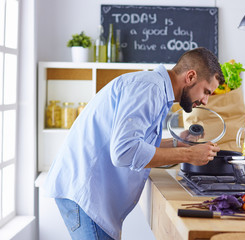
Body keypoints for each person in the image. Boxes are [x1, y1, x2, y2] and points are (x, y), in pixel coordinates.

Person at [42, 47, 225, 240]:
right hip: (85, 194)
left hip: (90, 192)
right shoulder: (149, 89)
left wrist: (179, 144)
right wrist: (189, 156)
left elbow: (136, 143)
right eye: (206, 91)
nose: (205, 100)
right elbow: (124, 152)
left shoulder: (155, 89)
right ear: (190, 77)